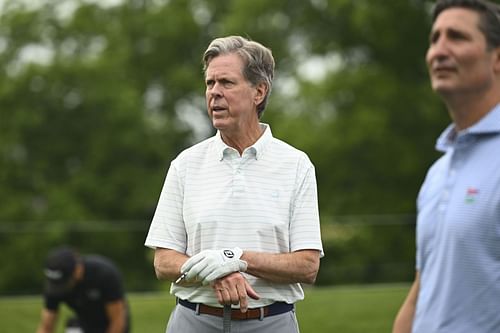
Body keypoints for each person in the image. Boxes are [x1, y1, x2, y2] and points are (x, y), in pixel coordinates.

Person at [144, 35, 324, 333]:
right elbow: (163, 261)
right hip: (193, 321)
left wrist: (234, 260)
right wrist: (213, 272)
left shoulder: (296, 165)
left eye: (226, 83)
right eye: (210, 83)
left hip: (272, 322)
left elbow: (307, 266)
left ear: (259, 92)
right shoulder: (185, 165)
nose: (214, 93)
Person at [393, 0, 500, 332]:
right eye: (434, 38)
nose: (439, 50)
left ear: (497, 58)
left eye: (457, 37)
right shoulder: (438, 172)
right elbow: (423, 288)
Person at [37, 246, 130, 333]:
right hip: (84, 322)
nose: (59, 288)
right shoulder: (54, 286)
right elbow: (46, 326)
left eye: (64, 282)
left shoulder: (104, 274)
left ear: (77, 270)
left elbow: (117, 320)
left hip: (112, 322)